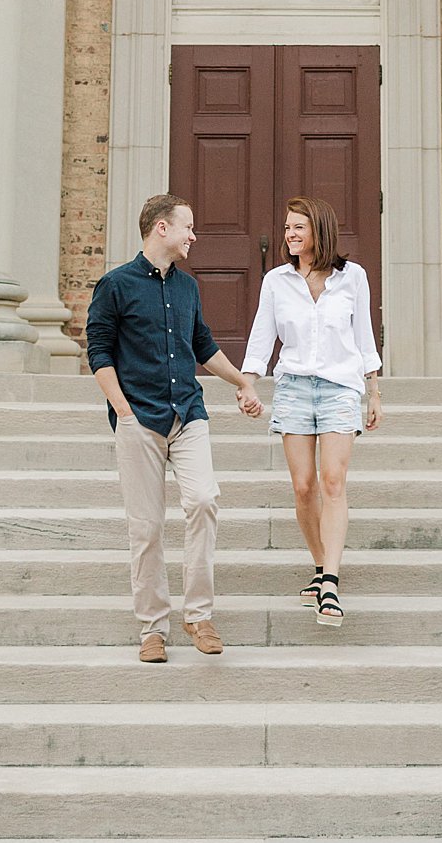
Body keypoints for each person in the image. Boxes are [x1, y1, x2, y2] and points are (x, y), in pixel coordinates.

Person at [86, 191, 264, 664]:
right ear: (160, 228)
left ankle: (199, 616)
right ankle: (153, 628)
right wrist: (123, 413)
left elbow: (202, 344)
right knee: (146, 528)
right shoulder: (115, 285)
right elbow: (99, 353)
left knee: (204, 500)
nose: (194, 235)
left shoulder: (188, 287)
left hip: (188, 413)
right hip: (138, 419)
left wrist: (242, 382)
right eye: (187, 226)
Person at [240, 194, 382, 627]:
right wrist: (248, 383)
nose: (289, 235)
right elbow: (262, 336)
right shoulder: (276, 281)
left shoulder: (352, 277)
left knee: (333, 482)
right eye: (287, 228)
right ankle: (321, 569)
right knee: (304, 487)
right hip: (295, 388)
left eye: (297, 227)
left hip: (340, 387)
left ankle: (332, 585)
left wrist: (373, 391)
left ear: (319, 230)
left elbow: (364, 336)